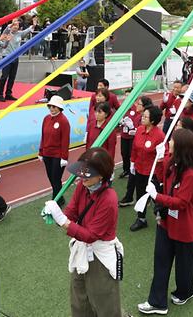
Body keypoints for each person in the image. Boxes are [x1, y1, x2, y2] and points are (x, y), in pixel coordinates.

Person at [42, 148, 123, 317]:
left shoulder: (109, 199)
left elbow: (91, 235)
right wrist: (58, 215)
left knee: (106, 305)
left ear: (101, 175)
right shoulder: (83, 186)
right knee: (79, 302)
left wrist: (63, 222)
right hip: (82, 251)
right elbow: (72, 211)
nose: (81, 176)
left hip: (100, 257)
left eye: (87, 173)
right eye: (81, 172)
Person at [139, 128, 193, 314]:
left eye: (172, 140)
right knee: (161, 261)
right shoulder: (172, 163)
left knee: (184, 266)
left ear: (181, 146)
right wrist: (158, 159)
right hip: (166, 223)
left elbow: (181, 203)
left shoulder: (190, 173)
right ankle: (157, 302)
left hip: (184, 227)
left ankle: (186, 291)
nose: (169, 143)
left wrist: (156, 196)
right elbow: (161, 175)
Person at [122, 105, 165, 232]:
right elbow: (135, 148)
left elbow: (162, 156)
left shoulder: (160, 136)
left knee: (155, 196)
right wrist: (132, 162)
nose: (142, 118)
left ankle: (161, 216)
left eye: (146, 116)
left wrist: (161, 163)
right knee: (140, 194)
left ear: (152, 120)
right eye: (143, 115)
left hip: (153, 173)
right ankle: (141, 219)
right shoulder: (140, 130)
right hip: (139, 169)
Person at [117, 96, 154, 196]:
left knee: (143, 182)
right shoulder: (138, 117)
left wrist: (134, 129)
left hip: (144, 159)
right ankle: (129, 196)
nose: (137, 105)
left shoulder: (150, 126)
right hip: (137, 154)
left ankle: (147, 197)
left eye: (139, 104)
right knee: (133, 179)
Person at [39, 95, 71, 204]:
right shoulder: (46, 119)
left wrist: (64, 157)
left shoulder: (64, 121)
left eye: (54, 107)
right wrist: (41, 151)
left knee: (56, 179)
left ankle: (55, 201)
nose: (52, 109)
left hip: (57, 156)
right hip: (47, 154)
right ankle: (60, 198)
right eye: (50, 106)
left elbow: (65, 141)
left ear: (60, 108)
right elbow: (43, 136)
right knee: (51, 178)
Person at [0, 19, 32, 102]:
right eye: (14, 25)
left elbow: (28, 30)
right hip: (7, 57)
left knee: (12, 77)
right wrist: (11, 24)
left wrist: (33, 24)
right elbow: (6, 29)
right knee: (4, 76)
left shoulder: (20, 34)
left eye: (17, 26)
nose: (16, 27)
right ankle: (0, 94)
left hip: (15, 57)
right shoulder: (7, 32)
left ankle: (8, 94)